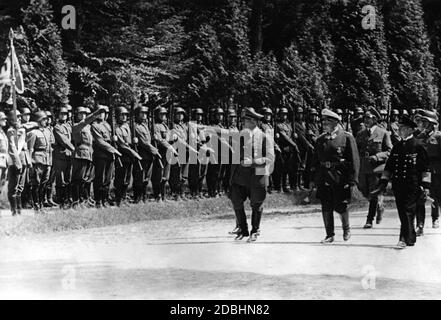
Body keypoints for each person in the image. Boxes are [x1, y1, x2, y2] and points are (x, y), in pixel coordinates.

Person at [372, 116, 431, 249]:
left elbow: (425, 169)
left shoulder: (418, 145)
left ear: (410, 130)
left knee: (407, 211)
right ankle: (410, 237)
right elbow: (389, 167)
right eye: (399, 128)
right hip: (398, 185)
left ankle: (404, 239)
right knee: (402, 211)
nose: (399, 130)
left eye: (403, 128)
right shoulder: (397, 147)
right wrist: (383, 183)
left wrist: (426, 187)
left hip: (413, 185)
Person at [311, 109, 360, 243]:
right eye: (324, 121)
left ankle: (346, 229)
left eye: (328, 121)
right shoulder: (320, 139)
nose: (324, 124)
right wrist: (313, 178)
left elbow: (354, 160)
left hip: (339, 177)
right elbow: (315, 160)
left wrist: (353, 179)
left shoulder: (346, 137)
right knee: (326, 206)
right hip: (323, 177)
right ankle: (329, 234)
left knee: (341, 205)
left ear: (335, 122)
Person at [229, 107, 275, 242]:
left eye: (246, 120)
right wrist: (231, 178)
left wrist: (253, 162)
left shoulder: (264, 137)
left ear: (254, 121)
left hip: (257, 174)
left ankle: (255, 230)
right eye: (243, 120)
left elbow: (270, 158)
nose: (243, 123)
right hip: (240, 176)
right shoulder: (241, 136)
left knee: (256, 203)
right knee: (236, 200)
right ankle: (243, 230)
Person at [355, 107, 392, 228]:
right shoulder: (361, 134)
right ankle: (379, 206)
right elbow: (356, 150)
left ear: (375, 119)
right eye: (364, 118)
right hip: (363, 167)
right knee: (364, 191)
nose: (365, 120)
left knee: (373, 193)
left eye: (368, 118)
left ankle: (369, 219)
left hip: (376, 167)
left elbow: (389, 151)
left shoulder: (383, 133)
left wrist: (377, 156)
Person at [71, 106, 106, 208]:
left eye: (84, 114)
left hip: (89, 154)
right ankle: (75, 202)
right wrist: (95, 114)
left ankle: (84, 199)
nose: (83, 116)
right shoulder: (77, 126)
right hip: (80, 154)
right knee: (78, 179)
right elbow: (85, 122)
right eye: (80, 114)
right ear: (76, 116)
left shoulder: (88, 127)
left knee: (86, 179)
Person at [415, 110, 441, 235]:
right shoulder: (419, 137)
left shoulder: (438, 137)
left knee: (435, 195)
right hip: (422, 170)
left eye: (425, 122)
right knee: (420, 196)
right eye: (422, 121)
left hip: (436, 171)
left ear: (432, 123)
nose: (423, 124)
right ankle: (420, 224)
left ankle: (435, 218)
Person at [91, 105, 122, 208]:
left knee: (108, 179)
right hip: (100, 155)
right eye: (99, 112)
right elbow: (100, 141)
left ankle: (105, 199)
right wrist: (113, 150)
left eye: (103, 113)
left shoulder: (108, 125)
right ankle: (98, 200)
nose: (102, 114)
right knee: (100, 178)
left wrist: (114, 139)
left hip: (109, 155)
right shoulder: (94, 125)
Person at [114, 106, 142, 206]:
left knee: (127, 179)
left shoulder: (127, 127)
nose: (124, 117)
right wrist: (134, 153)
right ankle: (118, 199)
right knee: (120, 179)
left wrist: (134, 142)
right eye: (122, 115)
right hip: (122, 156)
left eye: (125, 115)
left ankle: (123, 197)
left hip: (129, 157)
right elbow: (121, 145)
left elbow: (129, 141)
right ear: (117, 116)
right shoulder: (116, 128)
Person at [7, 110, 32, 216]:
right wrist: (17, 163)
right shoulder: (11, 131)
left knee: (21, 186)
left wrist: (28, 161)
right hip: (15, 161)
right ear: (12, 119)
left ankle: (19, 209)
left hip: (23, 159)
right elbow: (12, 148)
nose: (20, 119)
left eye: (20, 117)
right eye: (17, 117)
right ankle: (14, 210)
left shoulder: (22, 129)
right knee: (14, 186)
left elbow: (35, 124)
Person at [133, 105, 160, 203]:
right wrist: (155, 151)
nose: (144, 115)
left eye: (145, 113)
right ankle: (137, 198)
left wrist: (154, 138)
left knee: (146, 178)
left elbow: (149, 139)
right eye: (142, 113)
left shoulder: (146, 125)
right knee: (139, 178)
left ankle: (143, 196)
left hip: (149, 156)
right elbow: (144, 142)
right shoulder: (136, 126)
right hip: (141, 155)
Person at [27, 111, 53, 212]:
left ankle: (41, 205)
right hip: (37, 160)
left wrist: (50, 163)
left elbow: (50, 148)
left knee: (44, 183)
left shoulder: (47, 131)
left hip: (47, 161)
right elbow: (30, 149)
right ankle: (36, 206)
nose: (46, 121)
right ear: (38, 120)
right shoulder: (33, 133)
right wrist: (29, 162)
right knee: (36, 183)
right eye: (44, 119)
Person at [53, 106, 75, 209]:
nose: (63, 116)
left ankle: (68, 199)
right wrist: (73, 148)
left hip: (68, 155)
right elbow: (64, 140)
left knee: (68, 179)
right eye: (61, 114)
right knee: (60, 180)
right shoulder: (57, 127)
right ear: (58, 115)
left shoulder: (69, 126)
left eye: (65, 114)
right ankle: (61, 201)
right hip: (60, 156)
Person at [273, 107, 299, 193]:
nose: (284, 116)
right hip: (282, 149)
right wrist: (294, 144)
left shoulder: (288, 125)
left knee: (286, 169)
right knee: (280, 169)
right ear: (279, 115)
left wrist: (294, 135)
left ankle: (284, 186)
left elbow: (290, 135)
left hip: (289, 149)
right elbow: (285, 137)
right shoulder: (278, 125)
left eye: (285, 114)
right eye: (282, 114)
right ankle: (279, 187)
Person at [0, 112, 8, 198]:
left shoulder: (2, 132)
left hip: (4, 161)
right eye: (3, 119)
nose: (5, 120)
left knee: (2, 183)